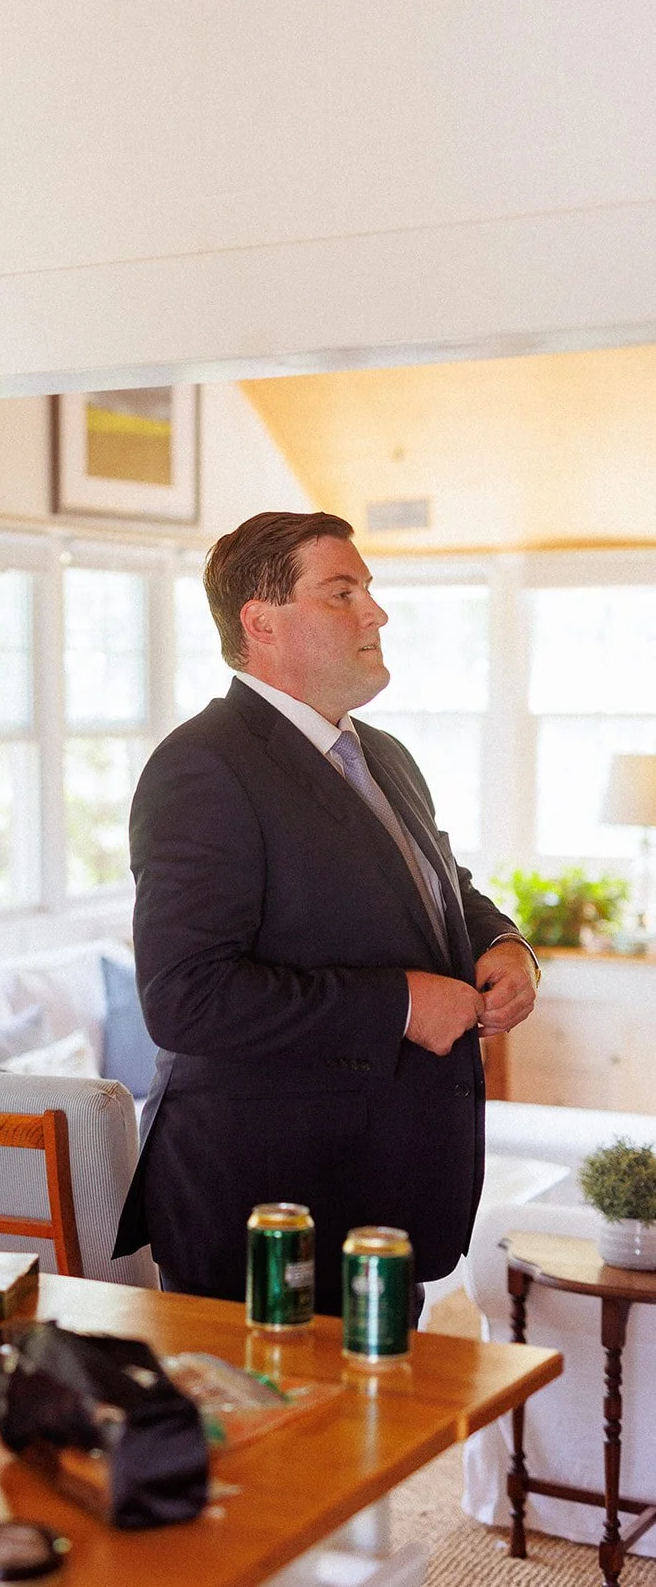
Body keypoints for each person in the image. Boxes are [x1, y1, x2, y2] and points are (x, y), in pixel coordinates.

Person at [112, 510, 539, 1318]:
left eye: (367, 591)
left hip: (381, 1201)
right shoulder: (200, 767)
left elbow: (441, 886)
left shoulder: (382, 754)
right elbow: (185, 998)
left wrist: (505, 945)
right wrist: (403, 1003)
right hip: (268, 1212)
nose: (374, 613)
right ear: (260, 623)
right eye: (342, 592)